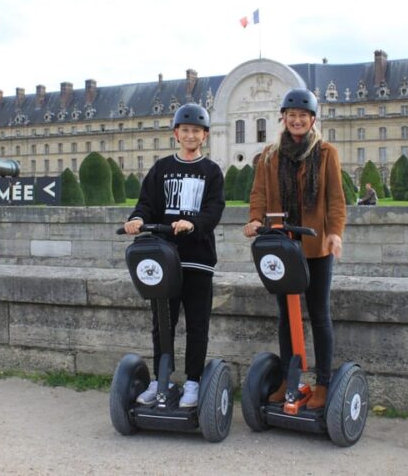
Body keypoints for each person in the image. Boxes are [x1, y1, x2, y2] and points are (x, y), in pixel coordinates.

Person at [243, 88, 346, 409]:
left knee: (318, 314)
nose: (297, 120)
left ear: (312, 120)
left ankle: (324, 384)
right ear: (283, 119)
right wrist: (254, 219)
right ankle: (290, 379)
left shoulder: (327, 153)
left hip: (316, 244)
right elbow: (259, 193)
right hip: (282, 243)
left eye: (303, 116)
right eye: (292, 116)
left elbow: (335, 199)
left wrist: (336, 234)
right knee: (286, 316)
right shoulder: (270, 155)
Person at [123, 103, 225, 408]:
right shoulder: (162, 168)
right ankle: (161, 379)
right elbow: (146, 203)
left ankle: (193, 382)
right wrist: (137, 219)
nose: (190, 135)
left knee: (197, 324)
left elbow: (214, 211)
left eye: (196, 131)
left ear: (204, 136)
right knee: (162, 324)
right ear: (176, 134)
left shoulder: (211, 172)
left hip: (198, 260)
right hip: (165, 260)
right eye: (185, 130)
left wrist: (193, 223)